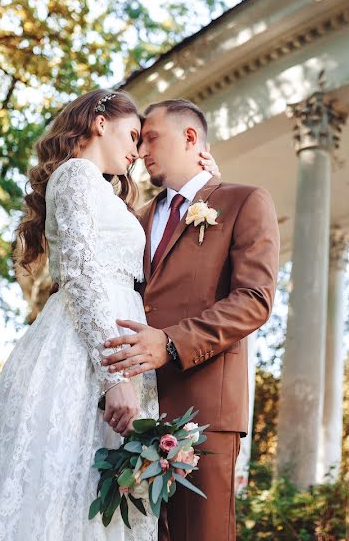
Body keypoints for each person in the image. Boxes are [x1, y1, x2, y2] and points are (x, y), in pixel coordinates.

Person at [0, 90, 218, 541]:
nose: (137, 151)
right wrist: (115, 380)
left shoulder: (103, 190)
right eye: (132, 135)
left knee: (89, 492)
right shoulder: (76, 176)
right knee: (60, 483)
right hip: (87, 351)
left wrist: (205, 179)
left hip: (113, 344)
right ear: (100, 122)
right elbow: (85, 275)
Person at [102, 99, 281, 541]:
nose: (141, 150)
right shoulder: (134, 222)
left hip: (204, 407)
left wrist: (171, 343)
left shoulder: (243, 201)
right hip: (132, 409)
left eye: (151, 138)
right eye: (138, 140)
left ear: (189, 137)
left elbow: (255, 299)